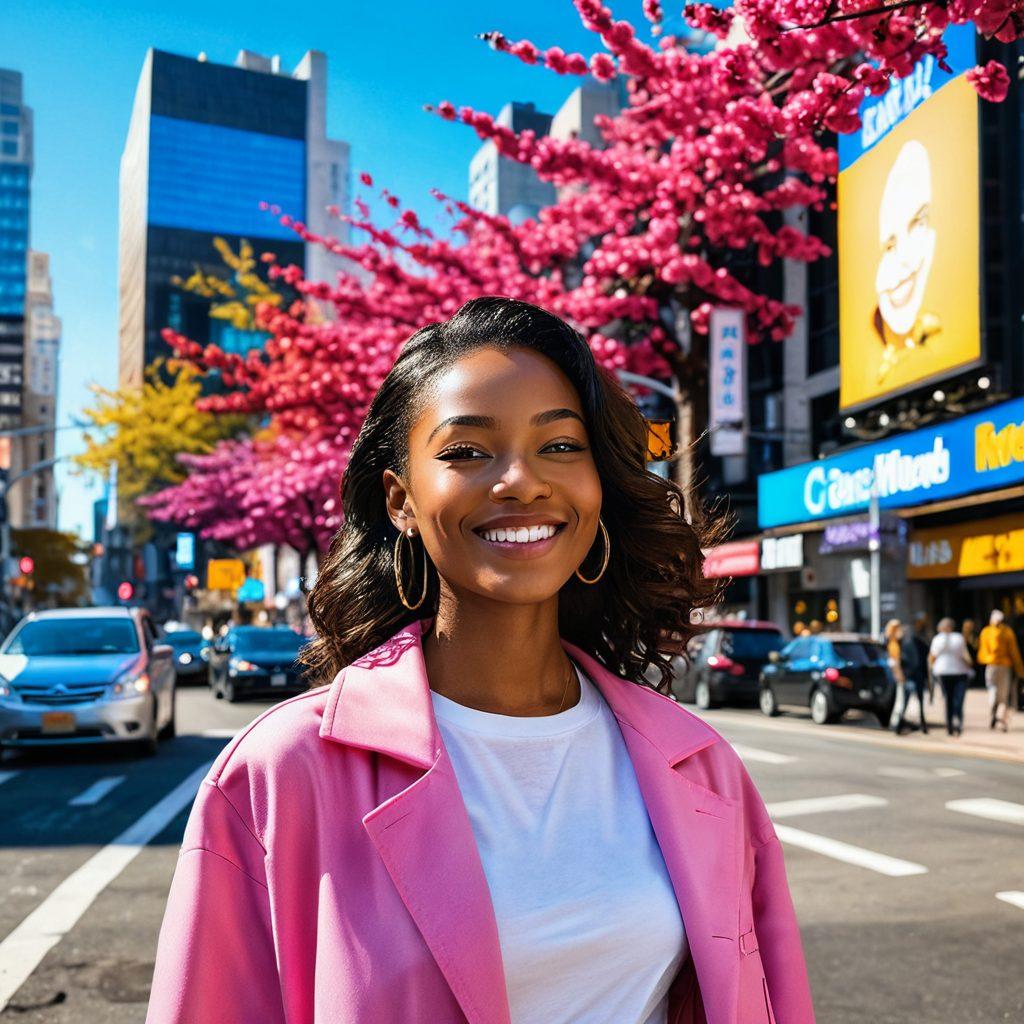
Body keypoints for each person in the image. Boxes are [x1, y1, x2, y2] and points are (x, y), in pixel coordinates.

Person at [145, 298, 815, 1024]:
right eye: (467, 451)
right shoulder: (278, 773)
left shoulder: (701, 765)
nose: (521, 480)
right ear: (400, 500)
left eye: (560, 446)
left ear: (599, 484)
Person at [977, 609, 1024, 732]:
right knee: (1004, 695)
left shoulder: (985, 632)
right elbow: (1014, 652)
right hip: (1005, 666)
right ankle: (1000, 718)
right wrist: (1020, 669)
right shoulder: (1007, 632)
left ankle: (993, 707)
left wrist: (986, 659)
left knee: (992, 688)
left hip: (991, 665)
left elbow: (982, 651)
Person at [928, 618, 972, 737]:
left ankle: (952, 724)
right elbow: (964, 655)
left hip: (947, 672)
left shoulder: (940, 639)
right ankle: (955, 722)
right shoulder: (955, 638)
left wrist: (931, 671)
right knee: (956, 699)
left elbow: (932, 657)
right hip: (954, 672)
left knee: (950, 699)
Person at [887, 618, 926, 734]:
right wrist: (900, 676)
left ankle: (897, 723)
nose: (901, 631)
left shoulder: (898, 643)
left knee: (902, 701)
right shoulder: (894, 644)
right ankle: (896, 724)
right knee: (901, 701)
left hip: (903, 676)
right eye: (898, 628)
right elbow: (895, 662)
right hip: (902, 677)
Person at [961, 618, 983, 688]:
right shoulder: (962, 636)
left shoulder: (975, 635)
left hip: (975, 656)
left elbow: (977, 646)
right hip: (967, 656)